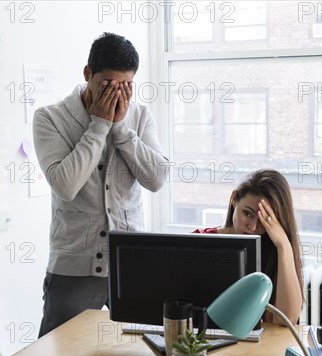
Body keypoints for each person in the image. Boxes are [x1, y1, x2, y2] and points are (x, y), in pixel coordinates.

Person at [33, 32, 169, 337]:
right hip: (74, 267)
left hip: (131, 264)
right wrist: (99, 126)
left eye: (126, 86)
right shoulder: (50, 118)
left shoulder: (140, 116)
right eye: (107, 85)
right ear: (87, 74)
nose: (117, 95)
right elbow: (65, 186)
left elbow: (157, 179)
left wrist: (121, 129)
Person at [194, 169, 304, 324]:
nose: (252, 227)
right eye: (248, 213)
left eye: (263, 220)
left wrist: (284, 244)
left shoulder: (276, 252)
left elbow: (287, 319)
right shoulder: (200, 240)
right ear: (234, 199)